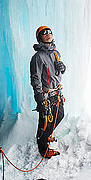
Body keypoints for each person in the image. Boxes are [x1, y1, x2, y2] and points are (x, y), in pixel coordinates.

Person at [30, 26, 66, 158]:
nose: (47, 34)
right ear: (40, 38)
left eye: (49, 32)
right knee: (47, 120)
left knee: (54, 117)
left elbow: (57, 72)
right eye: (44, 33)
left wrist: (63, 68)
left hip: (56, 92)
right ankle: (43, 148)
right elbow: (36, 79)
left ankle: (44, 137)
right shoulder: (38, 57)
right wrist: (39, 99)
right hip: (46, 95)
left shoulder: (56, 52)